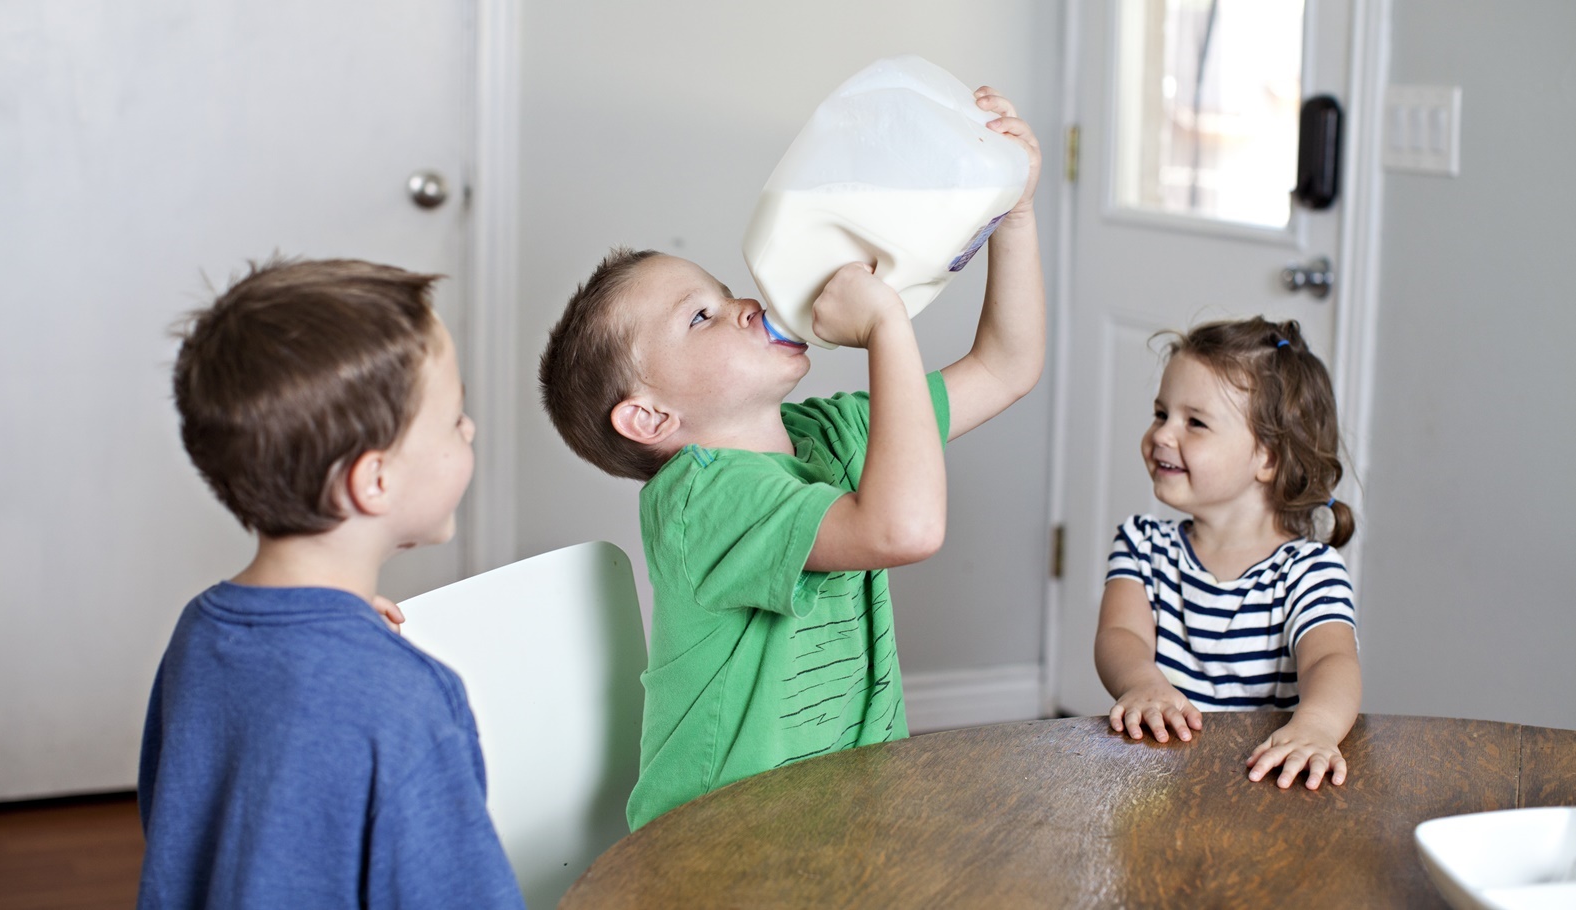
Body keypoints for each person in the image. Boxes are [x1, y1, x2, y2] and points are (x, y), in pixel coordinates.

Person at [539, 87, 1045, 830]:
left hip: (836, 820)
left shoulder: (825, 438)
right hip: (716, 846)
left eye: (721, 289)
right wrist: (885, 328)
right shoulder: (698, 503)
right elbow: (902, 529)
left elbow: (1007, 366)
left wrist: (1014, 213)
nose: (744, 303)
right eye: (700, 316)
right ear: (650, 416)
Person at [138, 258, 524, 908]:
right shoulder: (406, 699)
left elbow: (180, 826)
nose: (470, 429)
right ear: (374, 481)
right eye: (454, 417)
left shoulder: (200, 632)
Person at [1093, 316, 1362, 791]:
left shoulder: (1308, 572)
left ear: (1269, 457)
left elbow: (1331, 661)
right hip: (1162, 784)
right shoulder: (1142, 545)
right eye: (1161, 413)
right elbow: (1120, 634)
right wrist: (1142, 683)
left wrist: (1316, 727)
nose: (1161, 435)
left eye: (1194, 422)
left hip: (1262, 786)